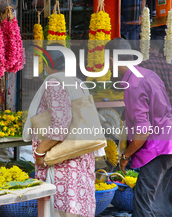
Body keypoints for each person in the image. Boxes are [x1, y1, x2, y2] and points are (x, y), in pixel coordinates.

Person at [23, 47, 96, 217]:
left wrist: (39, 152)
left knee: (61, 210)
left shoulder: (55, 83)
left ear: (46, 64)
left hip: (62, 163)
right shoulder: (77, 82)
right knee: (76, 207)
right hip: (78, 158)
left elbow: (61, 125)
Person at [105, 37, 172, 216]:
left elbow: (143, 131)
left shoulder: (133, 84)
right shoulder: (147, 74)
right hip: (167, 143)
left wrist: (125, 155)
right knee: (162, 202)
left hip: (157, 148)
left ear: (112, 60)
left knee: (143, 203)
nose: (109, 68)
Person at [139, 35, 172, 107]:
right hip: (169, 113)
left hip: (150, 113)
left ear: (148, 48)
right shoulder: (170, 66)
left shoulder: (143, 65)